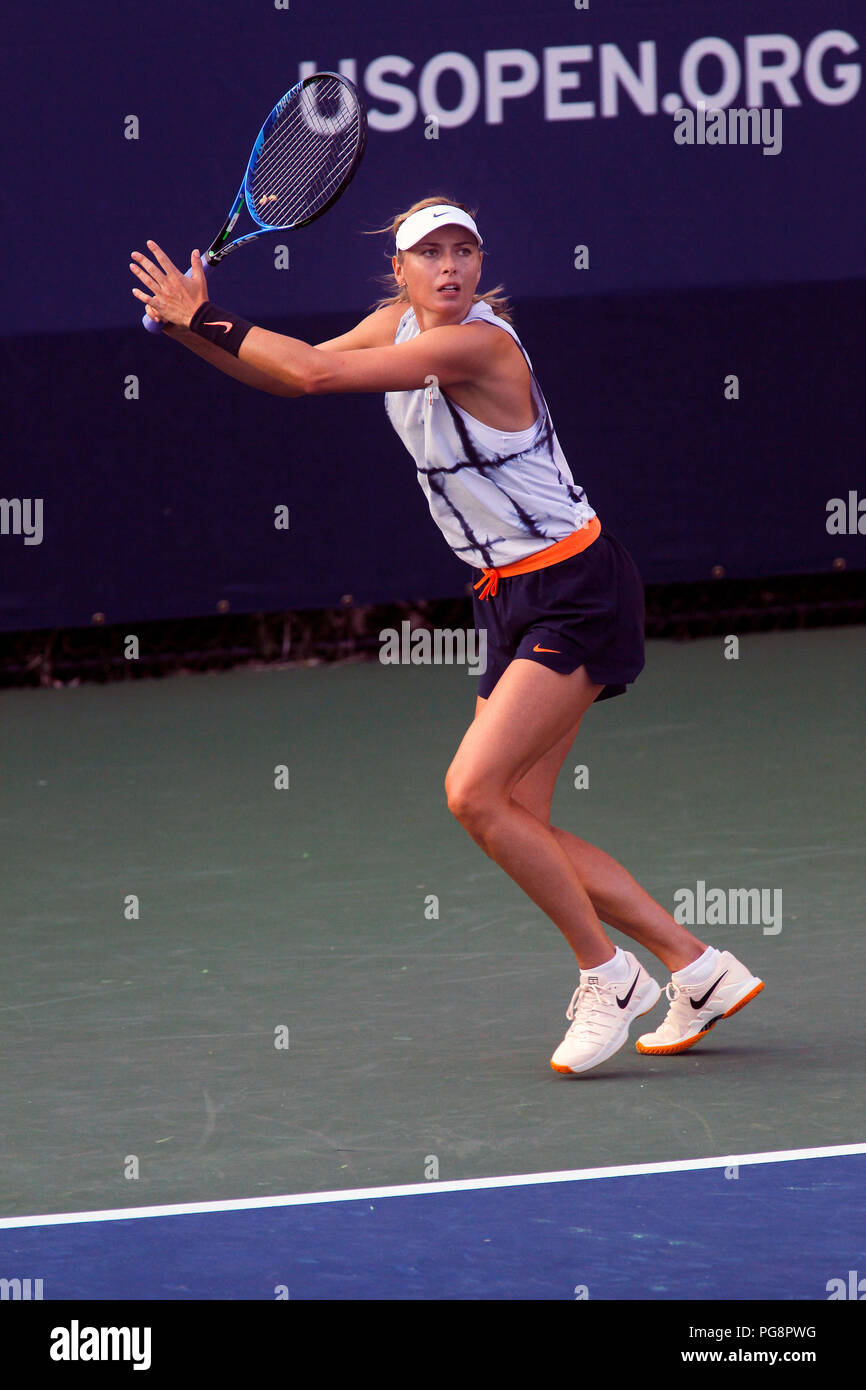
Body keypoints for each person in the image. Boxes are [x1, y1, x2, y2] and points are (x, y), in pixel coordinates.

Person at [130, 194, 764, 1075]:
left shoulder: (482, 341)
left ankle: (608, 974)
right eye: (431, 255)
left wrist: (209, 314)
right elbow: (294, 371)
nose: (451, 267)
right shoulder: (395, 323)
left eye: (465, 250)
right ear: (400, 271)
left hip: (576, 585)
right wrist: (187, 329)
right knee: (519, 818)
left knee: (472, 792)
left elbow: (312, 376)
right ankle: (699, 969)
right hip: (506, 595)